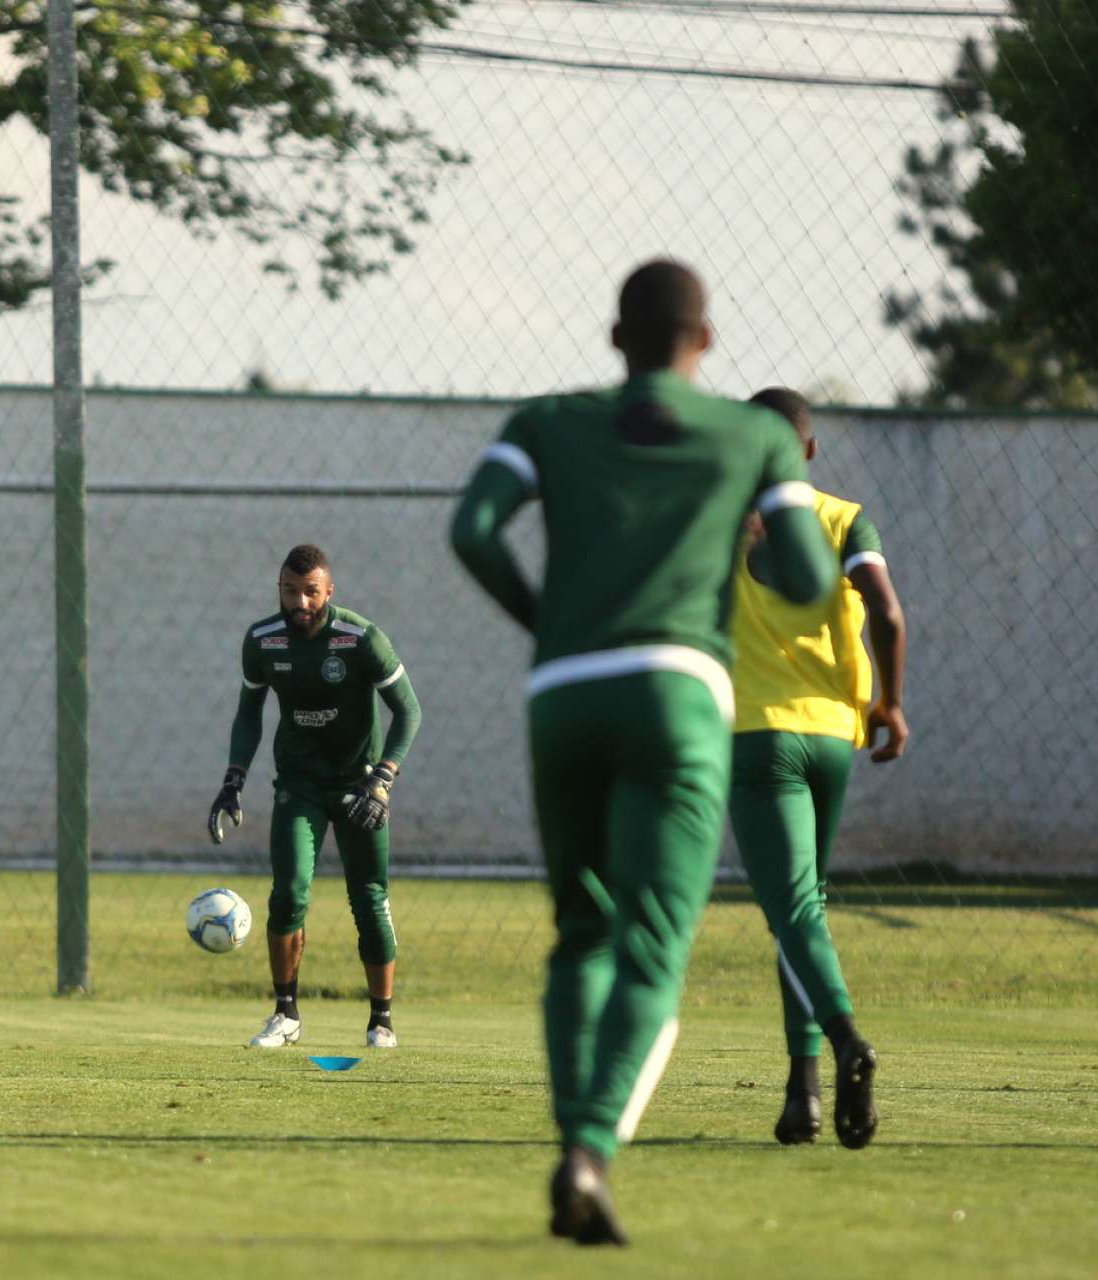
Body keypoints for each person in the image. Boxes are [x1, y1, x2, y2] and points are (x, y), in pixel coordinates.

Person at [449, 260, 836, 1246]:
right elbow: (801, 577)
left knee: (580, 928)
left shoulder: (544, 420)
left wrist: (545, 623)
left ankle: (575, 1136)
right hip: (679, 692)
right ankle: (585, 1148)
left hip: (563, 690)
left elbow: (471, 528)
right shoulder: (752, 436)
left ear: (612, 337)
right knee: (651, 941)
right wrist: (743, 521)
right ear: (702, 342)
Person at [728, 386, 906, 1149]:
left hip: (757, 741)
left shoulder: (723, 526)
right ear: (807, 449)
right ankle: (801, 1097)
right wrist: (889, 707)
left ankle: (844, 1044)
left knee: (792, 911)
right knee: (801, 912)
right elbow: (888, 614)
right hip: (836, 737)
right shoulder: (843, 517)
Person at [207, 544, 423, 1049]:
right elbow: (248, 713)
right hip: (298, 785)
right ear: (279, 590)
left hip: (360, 787)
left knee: (369, 898)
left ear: (329, 592)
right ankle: (285, 1014)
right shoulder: (263, 641)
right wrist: (233, 778)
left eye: (310, 592)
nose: (299, 602)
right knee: (288, 893)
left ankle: (381, 1021)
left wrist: (384, 779)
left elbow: (408, 711)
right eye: (289, 591)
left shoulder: (361, 638)